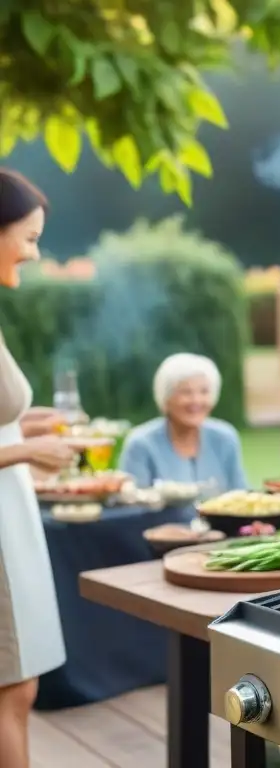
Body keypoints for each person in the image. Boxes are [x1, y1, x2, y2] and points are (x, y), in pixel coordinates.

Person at [0, 169, 86, 768]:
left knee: (18, 688)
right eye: (28, 237)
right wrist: (29, 451)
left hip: (14, 520)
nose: (34, 252)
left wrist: (29, 427)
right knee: (12, 690)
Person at [118, 353, 248, 491]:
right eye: (186, 392)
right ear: (166, 399)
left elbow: (241, 495)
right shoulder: (141, 444)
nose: (196, 401)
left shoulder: (225, 438)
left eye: (204, 392)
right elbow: (132, 504)